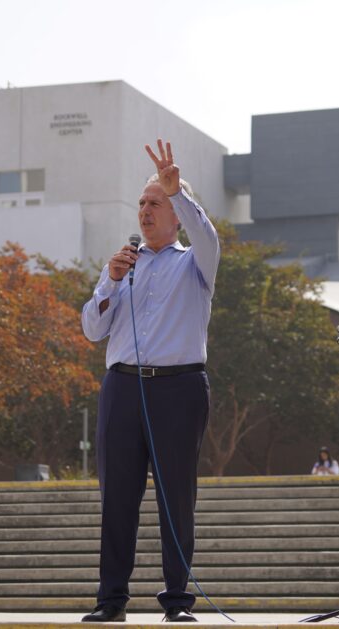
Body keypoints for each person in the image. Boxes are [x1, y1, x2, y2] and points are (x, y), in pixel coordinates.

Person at [80, 140, 219, 624]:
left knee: (175, 497)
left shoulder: (195, 261)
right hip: (122, 389)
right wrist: (112, 282)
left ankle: (177, 603)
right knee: (116, 497)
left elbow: (206, 233)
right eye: (141, 203)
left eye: (155, 202)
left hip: (178, 390)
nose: (145, 210)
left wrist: (176, 188)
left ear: (175, 214)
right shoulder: (122, 265)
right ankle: (110, 601)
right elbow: (93, 330)